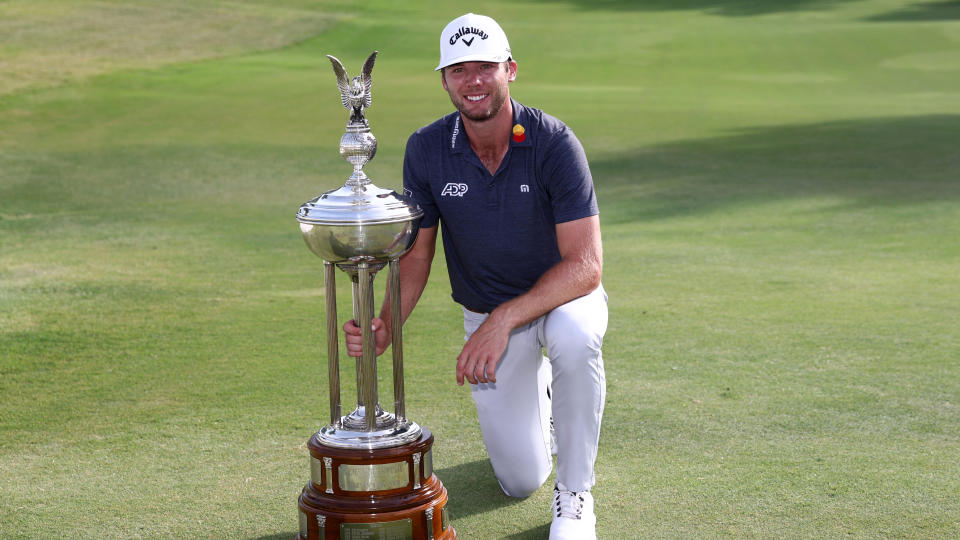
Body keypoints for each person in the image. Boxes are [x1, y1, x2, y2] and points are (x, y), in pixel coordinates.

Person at [343, 13, 607, 540]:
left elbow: (586, 266)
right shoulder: (426, 148)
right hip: (486, 312)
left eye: (485, 67)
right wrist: (386, 324)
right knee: (519, 479)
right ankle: (545, 403)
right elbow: (417, 255)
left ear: (510, 70)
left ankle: (576, 495)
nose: (474, 81)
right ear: (444, 80)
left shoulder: (554, 143)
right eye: (459, 70)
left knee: (574, 340)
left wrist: (505, 319)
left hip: (561, 302)